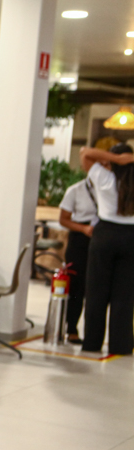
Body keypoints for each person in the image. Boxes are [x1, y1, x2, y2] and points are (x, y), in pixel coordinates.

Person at [80, 143, 134, 355]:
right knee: (125, 295)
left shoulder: (104, 178)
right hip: (131, 237)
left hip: (105, 235)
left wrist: (117, 159)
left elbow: (85, 153)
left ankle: (92, 343)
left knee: (96, 291)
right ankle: (121, 345)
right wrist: (126, 159)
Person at [57, 175, 98, 343]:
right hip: (80, 239)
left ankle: (94, 333)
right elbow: (63, 219)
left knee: (96, 288)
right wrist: (83, 229)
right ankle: (71, 328)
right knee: (76, 286)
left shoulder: (112, 189)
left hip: (102, 237)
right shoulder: (75, 190)